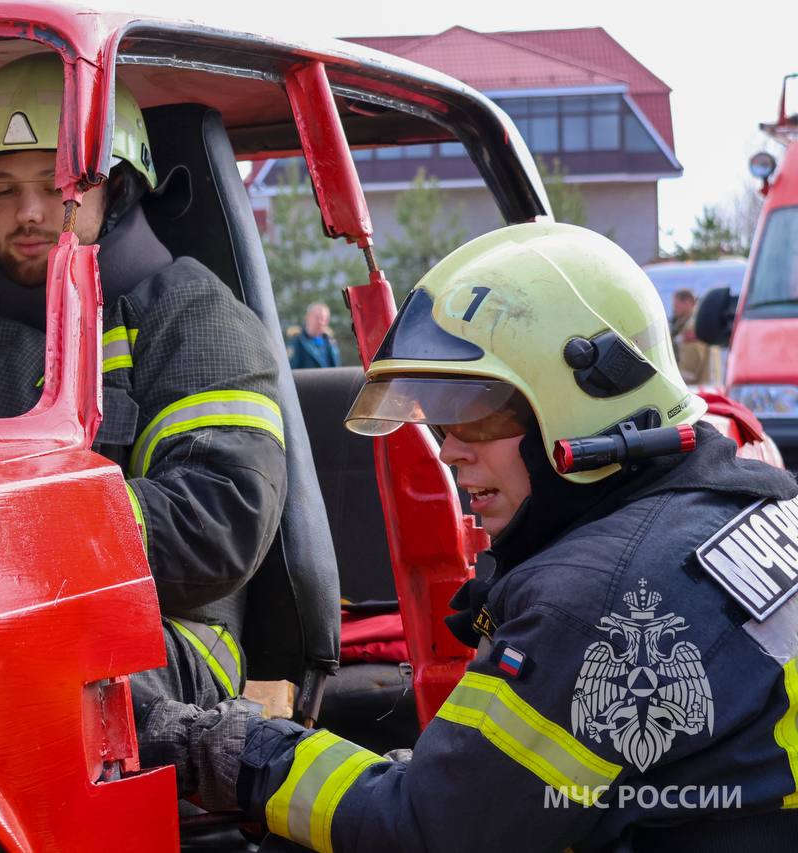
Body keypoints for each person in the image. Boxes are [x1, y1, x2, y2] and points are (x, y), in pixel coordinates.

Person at [142, 222, 798, 852]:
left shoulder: (600, 599)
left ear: (578, 402)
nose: (450, 449)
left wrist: (234, 749)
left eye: (474, 415)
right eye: (440, 419)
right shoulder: (761, 502)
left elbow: (429, 831)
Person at [0, 54, 287, 714]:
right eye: (4, 190)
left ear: (115, 187)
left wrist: (23, 530)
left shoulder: (189, 315)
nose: (28, 212)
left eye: (57, 184)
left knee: (9, 678)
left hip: (170, 638)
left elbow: (222, 517)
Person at [669, 288, 718, 386]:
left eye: (676, 305)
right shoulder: (700, 321)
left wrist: (678, 384)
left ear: (688, 303)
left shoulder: (691, 327)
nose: (674, 309)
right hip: (707, 384)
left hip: (697, 387)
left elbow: (690, 366)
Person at [287, 302, 341, 369]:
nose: (321, 322)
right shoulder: (297, 341)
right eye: (317, 318)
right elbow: (291, 370)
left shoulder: (331, 342)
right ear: (307, 317)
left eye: (324, 319)